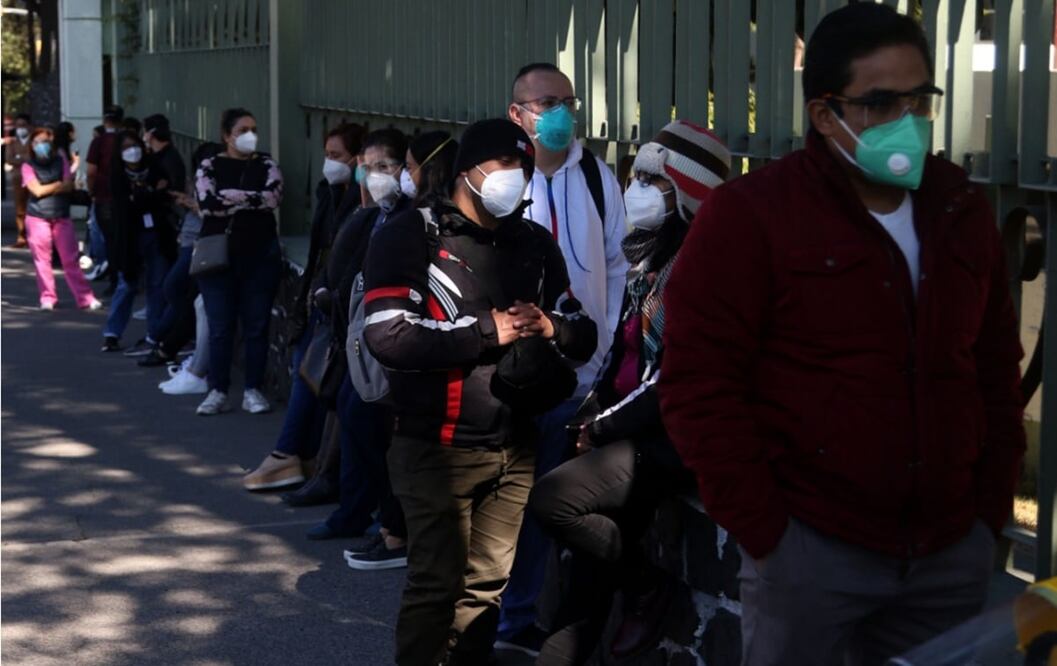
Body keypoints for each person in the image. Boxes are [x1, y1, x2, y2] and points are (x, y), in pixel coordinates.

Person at [659, 5, 1026, 665]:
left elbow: (995, 367)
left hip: (946, 552)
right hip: (811, 552)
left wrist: (985, 511)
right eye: (881, 102)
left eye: (919, 98)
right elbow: (700, 383)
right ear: (823, 115)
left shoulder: (959, 209)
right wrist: (767, 531)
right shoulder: (753, 216)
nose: (906, 120)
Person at [363, 118, 597, 666]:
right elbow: (387, 333)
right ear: (468, 171)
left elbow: (581, 331)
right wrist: (489, 330)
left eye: (525, 167)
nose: (516, 178)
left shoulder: (533, 242)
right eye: (505, 166)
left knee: (485, 589)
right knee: (436, 585)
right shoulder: (411, 234)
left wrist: (548, 326)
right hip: (434, 447)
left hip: (515, 446)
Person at [529, 120, 731, 665]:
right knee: (584, 589)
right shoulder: (650, 259)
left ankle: (645, 584)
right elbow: (625, 357)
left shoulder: (700, 268)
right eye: (635, 175)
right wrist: (595, 412)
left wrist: (601, 428)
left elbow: (671, 380)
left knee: (554, 499)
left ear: (688, 194)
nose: (633, 188)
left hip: (673, 437)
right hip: (634, 429)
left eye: (651, 180)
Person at [498, 61, 629, 654]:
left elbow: (619, 268)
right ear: (516, 114)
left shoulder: (599, 178)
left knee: (546, 502)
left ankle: (520, 620)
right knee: (500, 500)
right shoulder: (500, 181)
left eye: (567, 103)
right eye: (545, 102)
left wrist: (601, 355)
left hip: (580, 375)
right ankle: (485, 613)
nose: (559, 115)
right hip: (509, 371)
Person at [342, 130, 458, 570]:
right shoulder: (390, 215)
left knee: (403, 439)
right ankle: (389, 524)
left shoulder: (422, 220)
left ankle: (397, 531)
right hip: (408, 342)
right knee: (379, 428)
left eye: (405, 166)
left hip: (422, 345)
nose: (398, 177)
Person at [300, 127, 412, 538]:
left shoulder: (407, 217)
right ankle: (355, 510)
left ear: (406, 169)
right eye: (367, 169)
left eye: (385, 166)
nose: (375, 176)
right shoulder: (371, 216)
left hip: (385, 340)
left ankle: (384, 518)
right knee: (351, 415)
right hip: (357, 340)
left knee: (365, 421)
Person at [242, 122, 364, 490]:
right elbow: (318, 249)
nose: (330, 164)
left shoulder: (363, 199)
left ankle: (292, 454)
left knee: (313, 376)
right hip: (319, 294)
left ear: (357, 159)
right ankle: (298, 455)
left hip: (343, 301)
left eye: (337, 156)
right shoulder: (329, 193)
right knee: (305, 371)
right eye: (326, 156)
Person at [194, 107, 283, 416]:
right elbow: (207, 204)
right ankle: (217, 389)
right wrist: (248, 198)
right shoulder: (210, 165)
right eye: (243, 130)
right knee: (220, 326)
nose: (250, 136)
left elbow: (272, 198)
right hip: (218, 257)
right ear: (226, 135)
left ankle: (252, 389)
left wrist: (231, 197)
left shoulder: (267, 163)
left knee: (257, 325)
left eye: (253, 129)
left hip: (260, 256)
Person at [100, 131, 174, 351]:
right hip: (129, 238)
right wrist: (150, 194)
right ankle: (112, 333)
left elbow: (163, 195)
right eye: (126, 147)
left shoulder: (154, 167)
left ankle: (155, 334)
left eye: (136, 145)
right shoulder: (117, 176)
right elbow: (128, 206)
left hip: (156, 234)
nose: (133, 151)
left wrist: (144, 196)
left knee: (157, 284)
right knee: (127, 284)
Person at [20, 126, 101, 311]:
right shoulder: (28, 165)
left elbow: (68, 186)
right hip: (37, 217)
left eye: (46, 142)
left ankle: (85, 297)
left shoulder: (60, 160)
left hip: (61, 215)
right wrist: (57, 184)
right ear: (32, 145)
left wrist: (50, 186)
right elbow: (36, 190)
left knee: (70, 259)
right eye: (38, 142)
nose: (42, 146)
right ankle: (48, 297)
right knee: (43, 260)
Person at [87, 105, 126, 292]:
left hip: (104, 194)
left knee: (109, 239)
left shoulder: (99, 142)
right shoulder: (126, 140)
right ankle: (125, 275)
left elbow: (91, 171)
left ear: (104, 120)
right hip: (125, 195)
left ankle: (114, 279)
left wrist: (90, 191)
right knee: (123, 237)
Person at [5, 113, 33, 248]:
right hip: (17, 177)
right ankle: (21, 237)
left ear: (29, 126)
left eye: (23, 125)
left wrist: (19, 158)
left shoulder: (34, 141)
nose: (20, 128)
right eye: (18, 126)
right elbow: (9, 158)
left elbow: (33, 157)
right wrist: (24, 158)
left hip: (33, 178)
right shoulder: (12, 142)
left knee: (33, 207)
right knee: (20, 209)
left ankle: (33, 236)